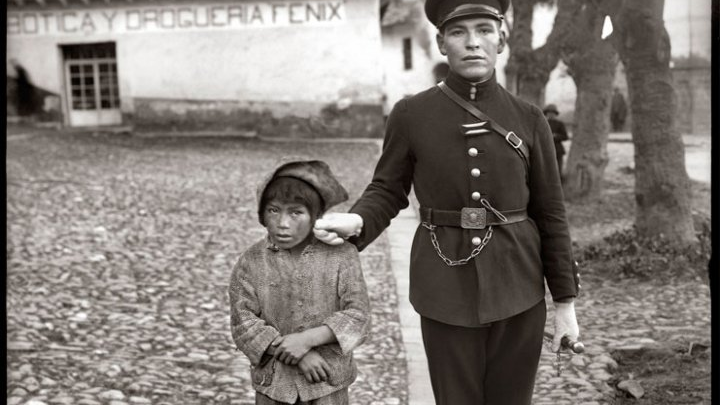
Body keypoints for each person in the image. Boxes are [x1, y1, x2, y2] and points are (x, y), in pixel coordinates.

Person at [313, 1, 580, 404]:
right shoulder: (411, 114)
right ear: (441, 43)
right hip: (444, 285)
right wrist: (358, 221)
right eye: (458, 32)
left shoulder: (529, 118)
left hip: (519, 285)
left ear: (502, 39)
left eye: (484, 30)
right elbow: (387, 189)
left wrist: (565, 303)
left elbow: (551, 213)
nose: (473, 42)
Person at [228, 157, 370, 405]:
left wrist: (307, 340)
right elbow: (244, 322)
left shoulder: (342, 255)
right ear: (262, 214)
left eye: (296, 212)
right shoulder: (251, 261)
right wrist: (295, 353)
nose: (283, 224)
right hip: (274, 384)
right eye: (273, 210)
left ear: (315, 216)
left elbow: (358, 316)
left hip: (326, 382)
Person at [543, 103, 570, 178]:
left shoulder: (560, 124)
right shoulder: (543, 123)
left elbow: (565, 137)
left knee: (557, 170)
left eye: (553, 113)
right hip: (545, 149)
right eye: (549, 113)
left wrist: (555, 136)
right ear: (546, 113)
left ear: (555, 114)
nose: (551, 114)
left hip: (557, 149)